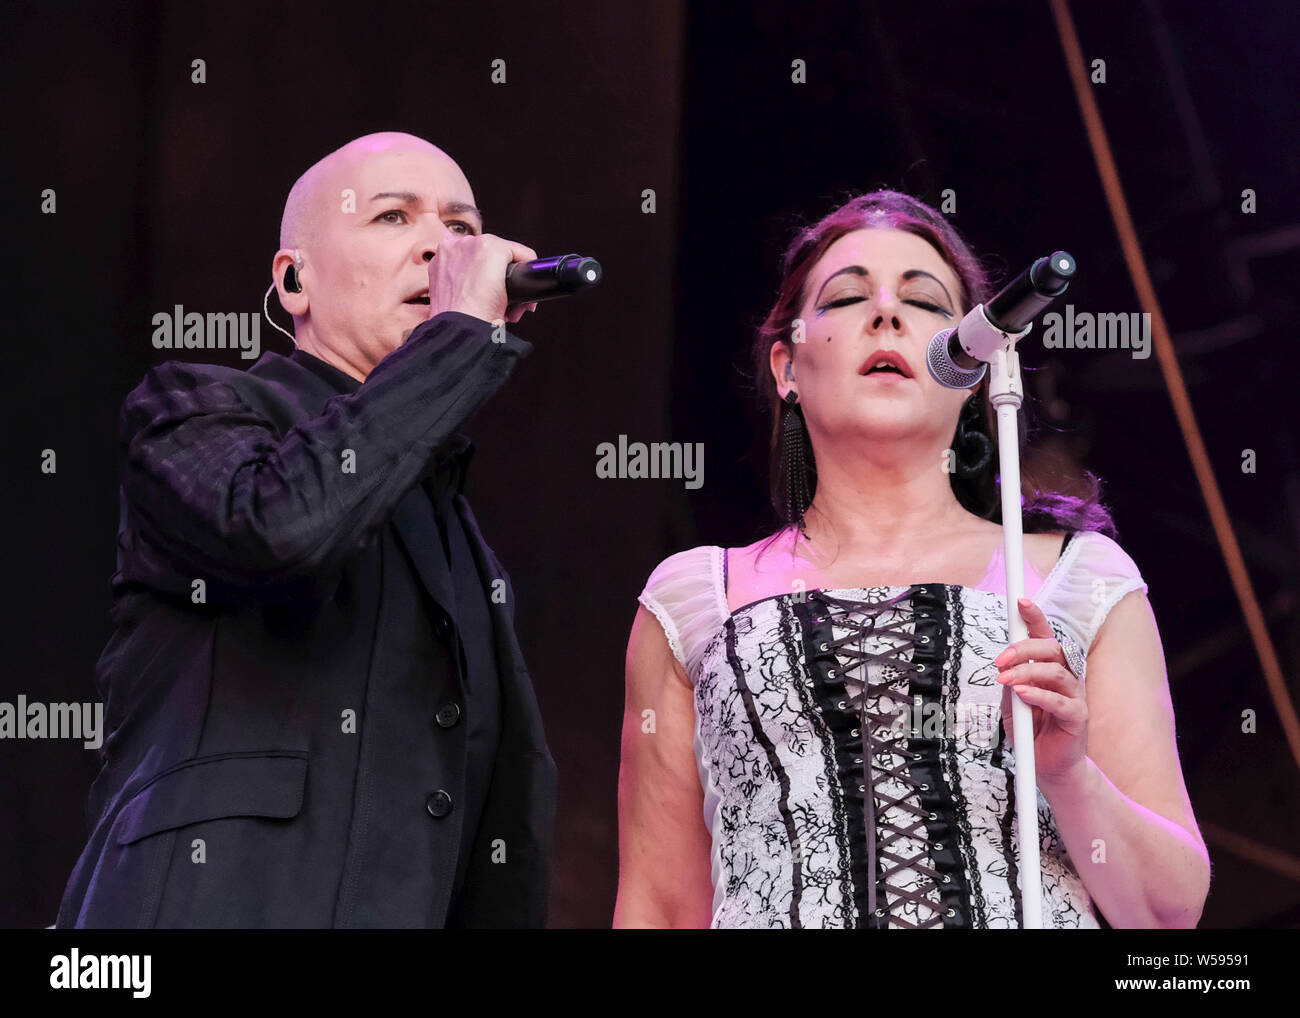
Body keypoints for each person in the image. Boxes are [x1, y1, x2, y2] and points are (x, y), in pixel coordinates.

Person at [614, 190, 1211, 929]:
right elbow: (658, 906)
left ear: (976, 365)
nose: (887, 314)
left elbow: (1167, 917)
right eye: (847, 296)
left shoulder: (1079, 581)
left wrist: (1068, 771)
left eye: (925, 302)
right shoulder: (694, 598)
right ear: (786, 366)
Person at [55, 132, 556, 928]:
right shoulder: (191, 410)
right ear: (294, 280)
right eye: (393, 217)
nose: (441, 246)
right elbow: (280, 531)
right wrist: (458, 339)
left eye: (463, 229)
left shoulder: (458, 533)